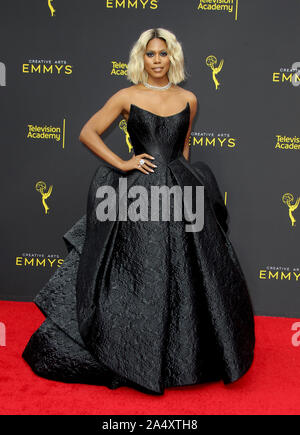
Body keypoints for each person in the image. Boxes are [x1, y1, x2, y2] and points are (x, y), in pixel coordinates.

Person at [22, 28, 255, 396]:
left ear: (172, 57)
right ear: (141, 58)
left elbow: (185, 147)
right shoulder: (127, 95)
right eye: (151, 54)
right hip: (140, 195)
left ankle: (182, 359)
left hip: (180, 193)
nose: (157, 60)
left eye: (163, 53)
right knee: (141, 275)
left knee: (186, 279)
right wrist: (124, 162)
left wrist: (188, 186)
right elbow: (88, 132)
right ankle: (128, 354)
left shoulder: (189, 99)